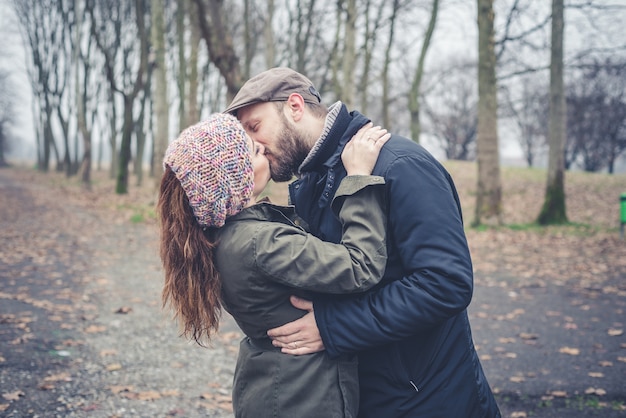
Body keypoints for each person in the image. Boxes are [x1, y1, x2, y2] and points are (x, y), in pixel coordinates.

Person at [224, 67, 501, 417]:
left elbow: (446, 283)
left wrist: (333, 326)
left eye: (254, 127)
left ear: (294, 107)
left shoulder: (400, 164)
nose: (255, 145)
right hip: (366, 392)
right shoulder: (313, 179)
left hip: (426, 398)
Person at [157, 112, 391, 418]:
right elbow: (361, 266)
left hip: (273, 387)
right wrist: (358, 178)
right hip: (302, 398)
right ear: (237, 177)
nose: (264, 149)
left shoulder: (220, 236)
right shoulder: (260, 241)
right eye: (254, 152)